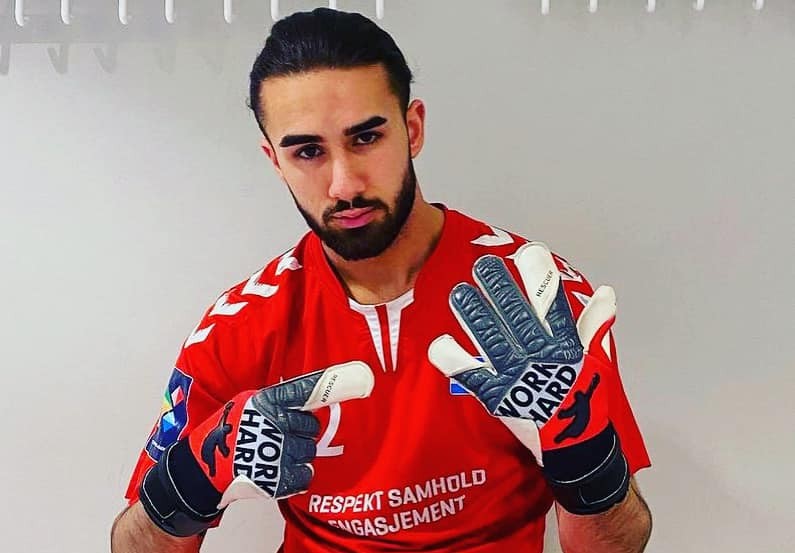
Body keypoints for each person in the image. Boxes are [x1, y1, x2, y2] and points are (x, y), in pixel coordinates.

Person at [111, 8, 652, 553]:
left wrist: (584, 457)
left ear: (412, 129)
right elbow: (133, 546)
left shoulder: (535, 301)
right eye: (308, 152)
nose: (344, 184)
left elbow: (615, 545)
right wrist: (189, 480)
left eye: (366, 137)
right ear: (275, 161)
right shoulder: (242, 325)